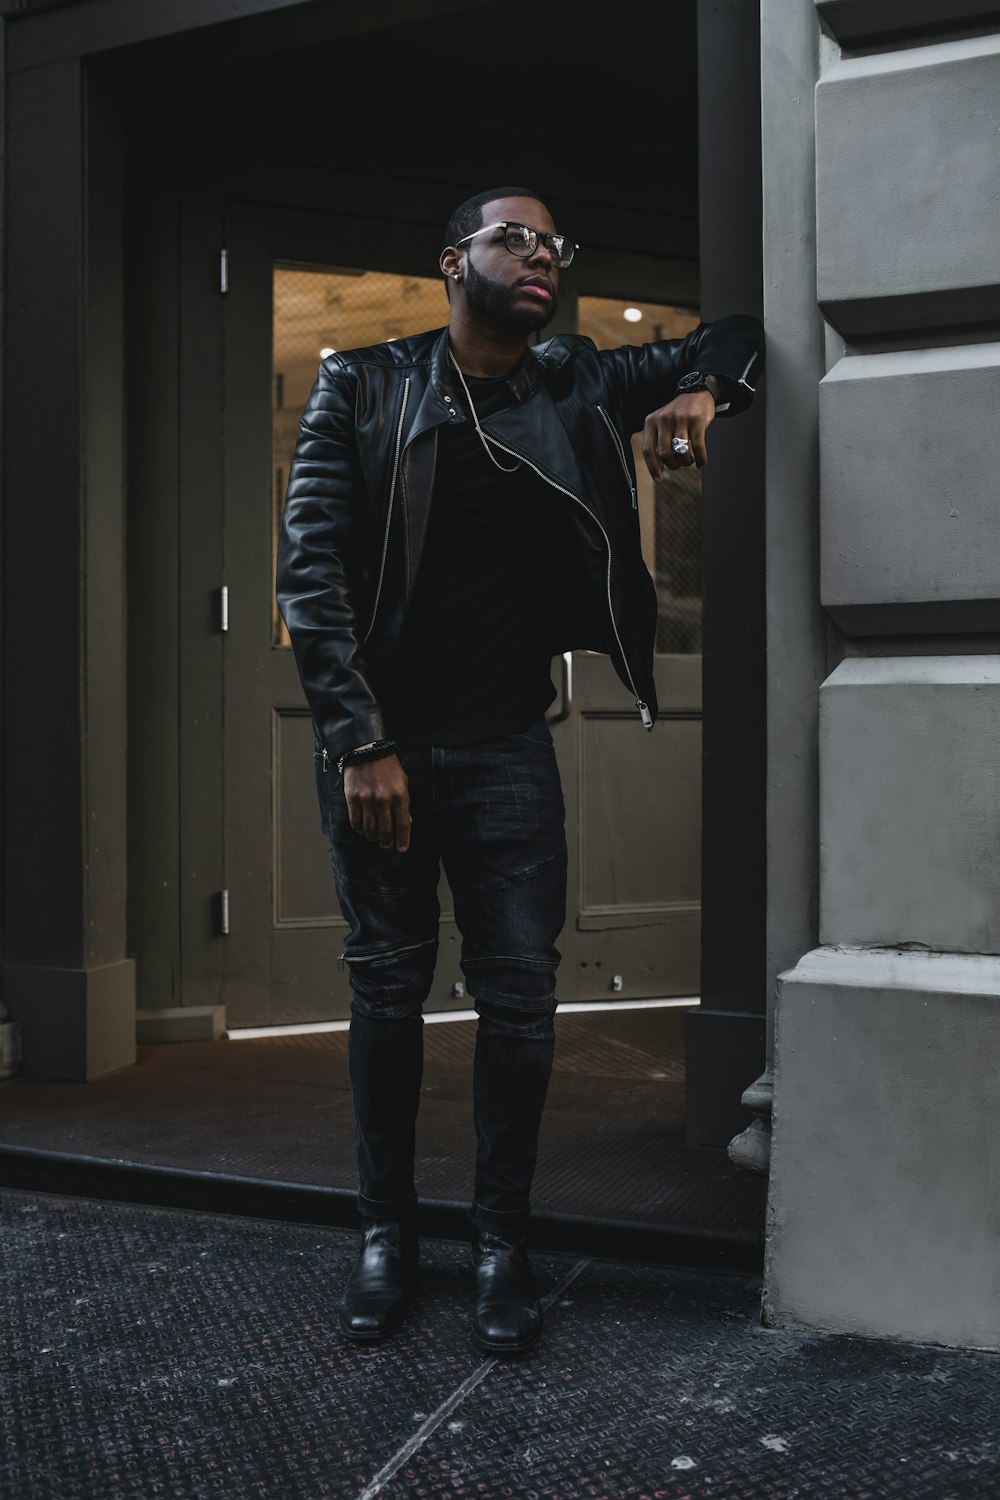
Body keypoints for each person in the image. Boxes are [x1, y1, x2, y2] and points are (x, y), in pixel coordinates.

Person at [276, 186, 764, 1354]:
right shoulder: (366, 384)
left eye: (554, 244)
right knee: (386, 991)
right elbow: (311, 572)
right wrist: (360, 743)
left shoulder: (574, 380)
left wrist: (702, 386)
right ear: (454, 260)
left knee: (520, 1003)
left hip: (506, 747)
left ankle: (503, 1241)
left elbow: (737, 333)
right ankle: (385, 1235)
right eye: (515, 238)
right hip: (381, 750)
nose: (541, 255)